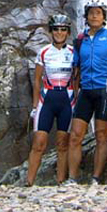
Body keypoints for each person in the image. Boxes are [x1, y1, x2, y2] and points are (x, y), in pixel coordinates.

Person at [66, 0, 107, 185]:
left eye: (98, 13)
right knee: (75, 135)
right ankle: (72, 179)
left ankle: (96, 178)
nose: (94, 16)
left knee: (101, 135)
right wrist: (73, 94)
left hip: (104, 91)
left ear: (104, 17)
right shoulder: (80, 39)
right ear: (86, 16)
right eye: (91, 13)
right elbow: (75, 69)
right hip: (85, 92)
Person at [26, 13, 76, 186]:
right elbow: (37, 80)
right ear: (51, 31)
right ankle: (29, 182)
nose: (59, 33)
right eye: (56, 29)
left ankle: (61, 181)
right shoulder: (44, 52)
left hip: (67, 101)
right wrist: (34, 106)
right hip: (47, 100)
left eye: (63, 30)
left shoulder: (73, 52)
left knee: (63, 143)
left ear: (68, 32)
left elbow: (77, 80)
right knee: (39, 143)